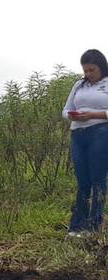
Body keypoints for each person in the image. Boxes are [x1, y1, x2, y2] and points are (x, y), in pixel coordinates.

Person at [62, 49, 108, 237]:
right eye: (85, 70)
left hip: (101, 132)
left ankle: (94, 226)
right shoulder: (78, 85)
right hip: (77, 134)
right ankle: (77, 226)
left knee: (98, 179)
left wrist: (94, 115)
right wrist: (74, 116)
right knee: (82, 181)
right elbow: (65, 110)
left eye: (92, 70)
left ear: (101, 68)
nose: (88, 74)